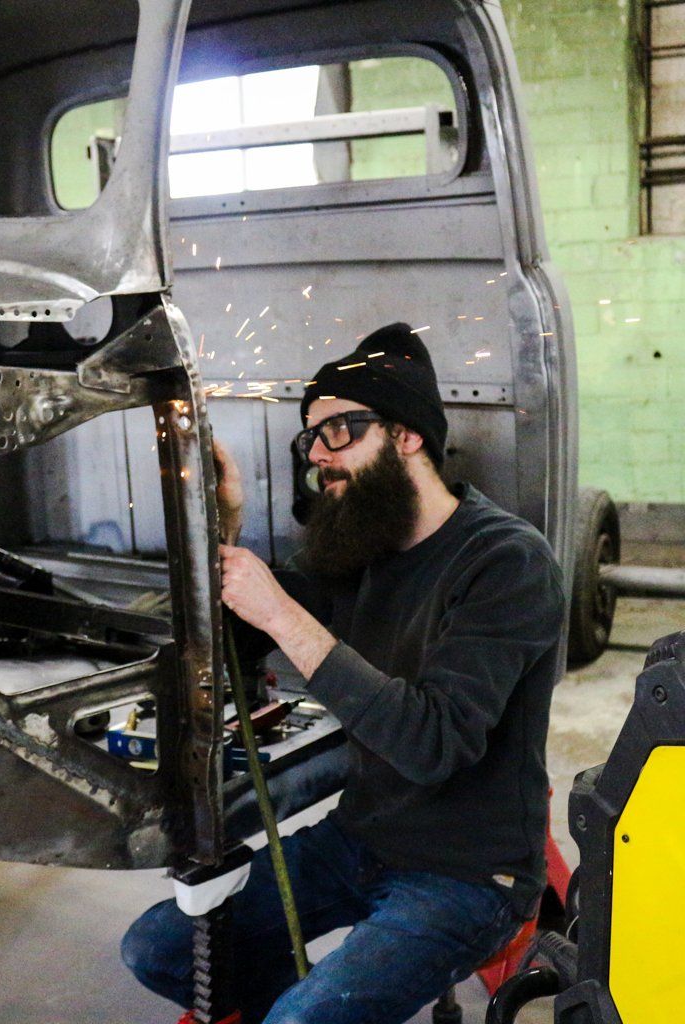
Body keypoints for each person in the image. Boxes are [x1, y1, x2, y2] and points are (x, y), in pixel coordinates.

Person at [120, 322, 567, 1024]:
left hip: (469, 874)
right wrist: (223, 524)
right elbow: (228, 644)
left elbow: (433, 743)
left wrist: (284, 617)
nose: (319, 458)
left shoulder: (506, 562)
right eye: (310, 438)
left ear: (408, 435)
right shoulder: (362, 544)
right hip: (361, 840)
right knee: (157, 947)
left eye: (339, 432)